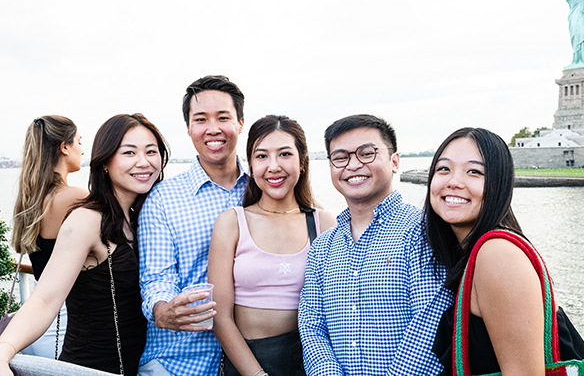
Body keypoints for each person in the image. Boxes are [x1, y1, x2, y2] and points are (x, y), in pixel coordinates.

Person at [0, 113, 169, 376]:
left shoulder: (142, 216)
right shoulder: (88, 218)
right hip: (89, 367)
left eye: (151, 151)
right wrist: (3, 350)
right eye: (129, 153)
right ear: (104, 161)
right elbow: (45, 299)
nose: (143, 162)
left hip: (141, 366)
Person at [427, 128, 584, 375]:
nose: (453, 181)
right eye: (444, 169)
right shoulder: (474, 253)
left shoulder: (498, 254)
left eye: (474, 171)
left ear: (499, 185)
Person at [298, 114, 451, 376]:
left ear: (394, 161)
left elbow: (430, 325)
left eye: (366, 153)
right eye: (340, 157)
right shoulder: (322, 247)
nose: (353, 165)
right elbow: (311, 324)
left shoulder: (424, 231)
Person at [138, 75, 249, 376]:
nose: (213, 129)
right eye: (201, 119)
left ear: (240, 122)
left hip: (256, 357)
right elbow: (156, 278)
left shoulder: (266, 186)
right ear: (188, 128)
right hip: (180, 361)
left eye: (223, 117)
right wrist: (163, 311)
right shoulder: (163, 199)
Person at [209, 115, 336, 376]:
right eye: (262, 156)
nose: (273, 166)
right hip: (248, 364)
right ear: (251, 165)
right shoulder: (232, 222)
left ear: (302, 162)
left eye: (285, 154)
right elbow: (221, 318)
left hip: (312, 363)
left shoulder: (325, 223)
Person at [11, 115, 88, 358]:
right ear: (64, 147)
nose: (82, 151)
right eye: (79, 142)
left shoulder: (31, 199)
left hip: (32, 321)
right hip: (64, 324)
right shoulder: (75, 198)